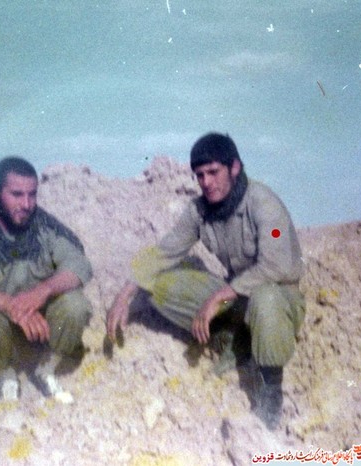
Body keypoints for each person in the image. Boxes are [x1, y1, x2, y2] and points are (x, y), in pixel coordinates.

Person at [106, 133, 305, 430]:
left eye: (213, 172)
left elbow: (275, 266)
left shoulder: (265, 205)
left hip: (279, 301)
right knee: (160, 285)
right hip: (237, 299)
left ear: (234, 167)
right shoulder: (199, 210)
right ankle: (234, 343)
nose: (207, 182)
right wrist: (125, 293)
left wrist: (218, 297)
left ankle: (270, 394)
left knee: (266, 297)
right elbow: (166, 251)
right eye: (200, 175)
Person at [0, 156, 93, 402]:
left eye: (32, 195)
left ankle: (47, 369)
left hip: (40, 325)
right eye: (16, 194)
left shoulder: (46, 226)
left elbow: (78, 265)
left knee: (75, 305)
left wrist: (43, 291)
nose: (26, 204)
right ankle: (4, 376)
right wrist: (13, 307)